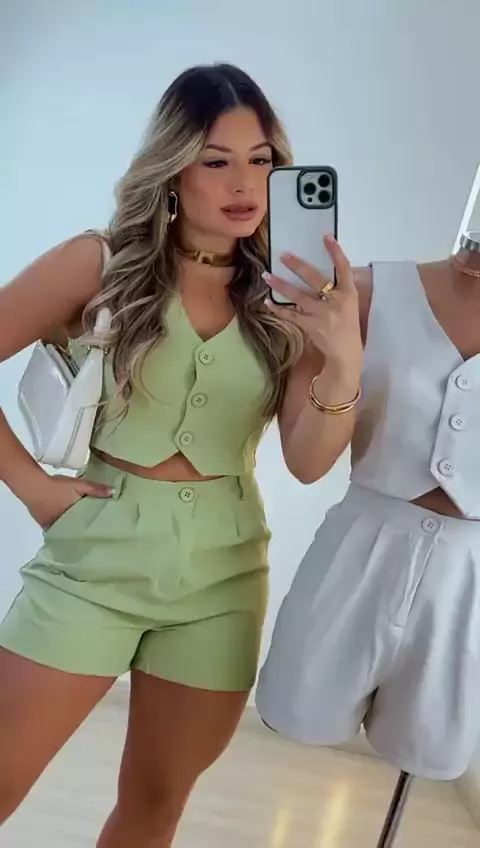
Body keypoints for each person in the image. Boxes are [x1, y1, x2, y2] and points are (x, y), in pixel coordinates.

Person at [0, 63, 362, 846]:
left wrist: (343, 361)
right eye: (216, 160)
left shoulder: (292, 294)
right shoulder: (98, 264)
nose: (244, 183)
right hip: (93, 559)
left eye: (261, 160)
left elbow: (308, 461)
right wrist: (31, 486)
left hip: (221, 578)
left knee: (156, 803)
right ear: (172, 169)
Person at [257, 232, 480, 783]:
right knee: (298, 711)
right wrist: (340, 361)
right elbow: (306, 464)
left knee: (429, 749)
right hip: (356, 554)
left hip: (470, 588)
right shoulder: (362, 294)